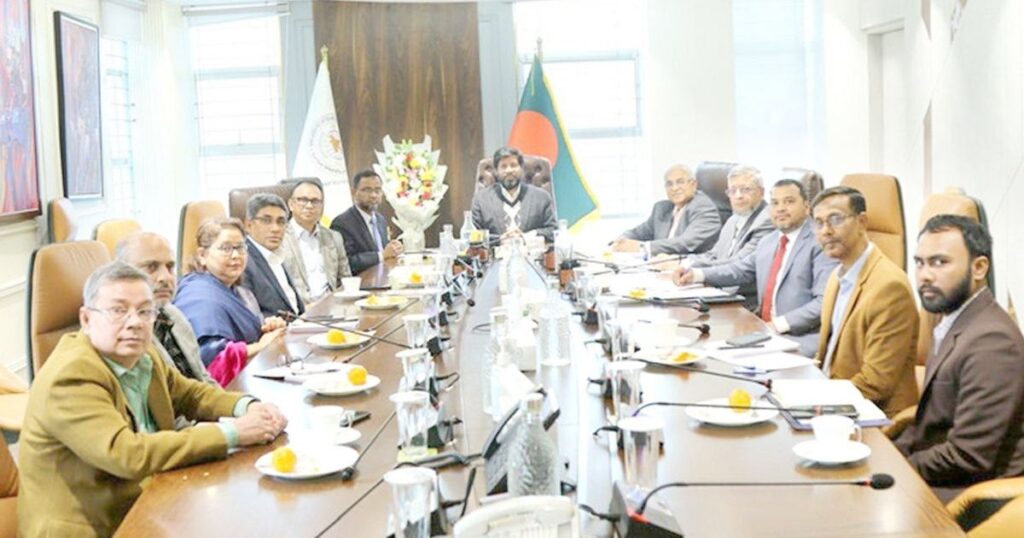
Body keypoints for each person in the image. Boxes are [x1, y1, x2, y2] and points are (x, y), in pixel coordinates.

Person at [17, 261, 287, 537]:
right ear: (86, 319)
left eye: (145, 311)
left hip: (147, 500)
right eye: (118, 311)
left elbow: (191, 394)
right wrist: (233, 433)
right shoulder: (71, 375)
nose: (135, 322)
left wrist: (248, 406)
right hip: (94, 527)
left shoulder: (143, 353)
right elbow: (126, 454)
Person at [894, 215, 1024, 501]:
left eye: (939, 262)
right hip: (940, 471)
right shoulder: (955, 319)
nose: (925, 275)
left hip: (970, 493)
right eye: (920, 263)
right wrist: (885, 452)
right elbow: (932, 420)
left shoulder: (993, 341)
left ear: (979, 268)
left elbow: (968, 456)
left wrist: (895, 468)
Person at [673, 180, 836, 356]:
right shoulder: (769, 241)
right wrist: (696, 275)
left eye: (789, 201)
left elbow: (824, 302)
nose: (781, 208)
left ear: (806, 206)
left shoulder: (820, 243)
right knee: (701, 351)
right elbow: (739, 270)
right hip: (763, 332)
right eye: (775, 203)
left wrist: (777, 325)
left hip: (799, 337)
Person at [812, 186, 918, 417]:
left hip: (873, 415)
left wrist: (815, 402)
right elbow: (829, 357)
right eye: (818, 223)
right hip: (837, 402)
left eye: (835, 219)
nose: (826, 231)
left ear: (862, 222)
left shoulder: (889, 287)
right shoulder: (836, 276)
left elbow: (876, 383)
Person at [175, 217, 286, 386]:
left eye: (240, 247)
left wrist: (268, 329)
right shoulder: (199, 297)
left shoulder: (237, 290)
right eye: (226, 248)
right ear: (202, 255)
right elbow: (212, 363)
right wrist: (262, 345)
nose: (236, 255)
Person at [115, 231, 214, 386]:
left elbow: (204, 379)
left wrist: (239, 401)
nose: (166, 277)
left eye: (170, 267)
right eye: (151, 267)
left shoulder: (174, 315)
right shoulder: (121, 334)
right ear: (121, 274)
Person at [685, 165, 774, 305]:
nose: (738, 196)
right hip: (720, 291)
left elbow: (738, 263)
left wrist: (693, 271)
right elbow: (713, 254)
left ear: (761, 192)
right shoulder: (733, 219)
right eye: (733, 190)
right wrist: (683, 262)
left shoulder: (767, 220)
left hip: (744, 299)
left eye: (745, 189)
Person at [613, 164, 721, 256]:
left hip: (687, 269)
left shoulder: (704, 207)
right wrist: (621, 240)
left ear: (693, 185)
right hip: (658, 266)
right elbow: (638, 233)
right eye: (669, 184)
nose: (674, 188)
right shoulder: (662, 208)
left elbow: (686, 243)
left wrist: (643, 247)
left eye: (680, 182)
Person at [279, 177, 352, 304]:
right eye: (303, 200)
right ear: (291, 204)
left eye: (315, 201)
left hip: (333, 305)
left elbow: (345, 279)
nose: (309, 205)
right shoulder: (279, 238)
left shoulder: (334, 237)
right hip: (300, 310)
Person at [470, 146, 557, 242]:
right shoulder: (481, 199)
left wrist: (526, 237)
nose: (509, 170)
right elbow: (473, 234)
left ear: (521, 168)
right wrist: (499, 239)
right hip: (496, 251)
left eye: (513, 165)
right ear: (496, 171)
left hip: (531, 250)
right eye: (503, 166)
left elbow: (553, 231)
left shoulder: (541, 197)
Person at [243, 193, 305, 317]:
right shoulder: (243, 262)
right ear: (249, 225)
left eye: (281, 222)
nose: (275, 229)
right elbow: (250, 316)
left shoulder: (277, 255)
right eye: (266, 221)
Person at [330, 169, 404, 274]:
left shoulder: (381, 220)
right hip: (361, 282)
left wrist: (394, 248)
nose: (373, 195)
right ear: (353, 192)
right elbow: (347, 262)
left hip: (384, 277)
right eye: (367, 190)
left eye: (378, 190)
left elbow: (382, 250)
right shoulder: (342, 223)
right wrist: (382, 255)